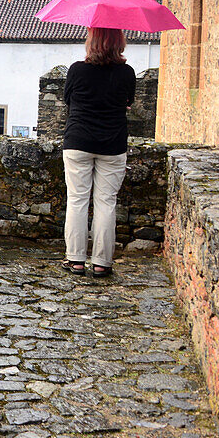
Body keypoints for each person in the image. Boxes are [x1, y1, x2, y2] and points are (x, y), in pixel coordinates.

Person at [60, 27, 136, 278]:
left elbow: (68, 100)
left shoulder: (77, 70)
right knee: (106, 203)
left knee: (78, 200)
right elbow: (128, 102)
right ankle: (102, 263)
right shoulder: (127, 73)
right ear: (119, 43)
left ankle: (76, 260)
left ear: (91, 42)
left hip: (78, 141)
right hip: (112, 145)